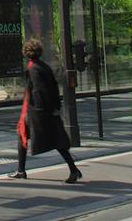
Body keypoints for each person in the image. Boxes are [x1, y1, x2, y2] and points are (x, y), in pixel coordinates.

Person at [8, 39, 81, 184]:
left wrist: (41, 109)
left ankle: (22, 171)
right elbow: (53, 87)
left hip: (38, 112)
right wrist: (55, 107)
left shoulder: (33, 69)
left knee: (29, 136)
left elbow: (39, 91)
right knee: (56, 140)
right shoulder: (43, 66)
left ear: (26, 53)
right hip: (46, 110)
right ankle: (73, 169)